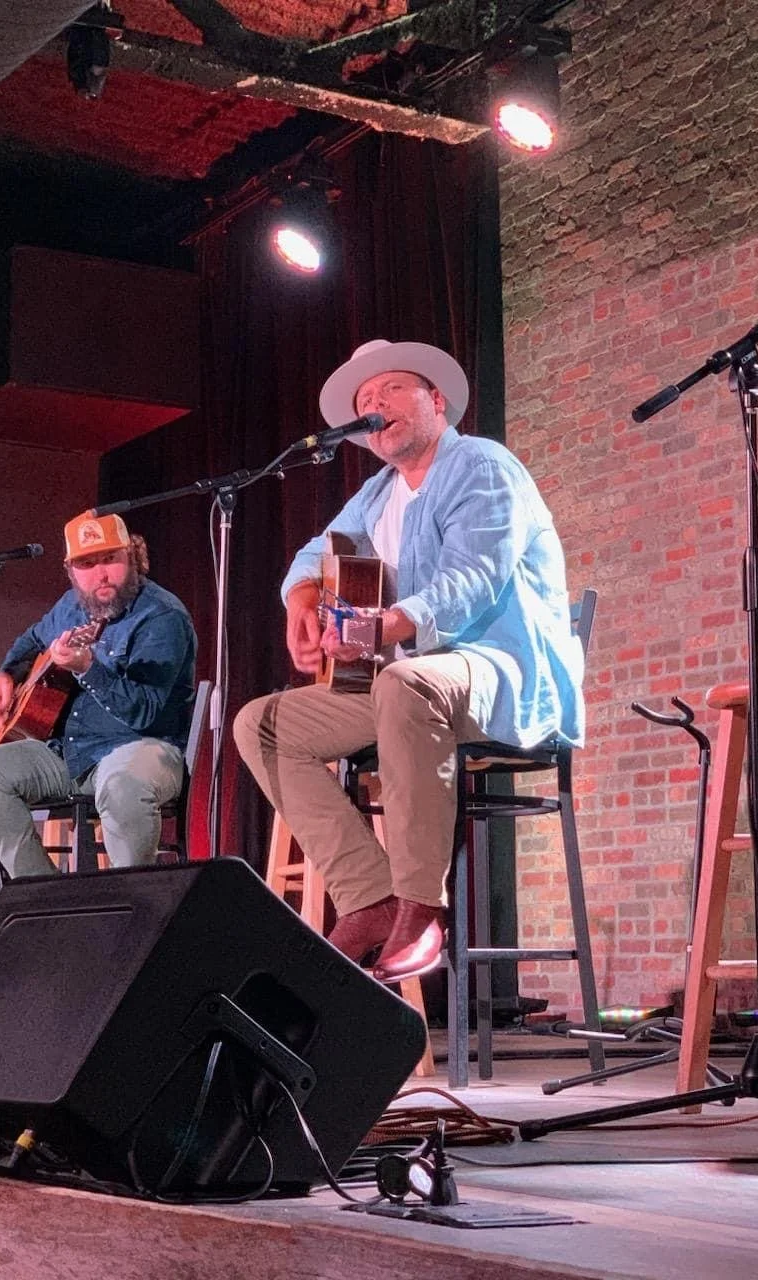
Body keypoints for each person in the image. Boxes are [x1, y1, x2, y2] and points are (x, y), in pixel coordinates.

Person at [233, 339, 584, 984]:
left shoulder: (483, 466)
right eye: (364, 401)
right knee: (261, 724)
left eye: (391, 389)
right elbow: (316, 551)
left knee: (403, 681)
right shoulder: (375, 495)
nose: (374, 405)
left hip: (498, 669)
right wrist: (301, 600)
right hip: (409, 690)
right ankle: (370, 897)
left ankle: (423, 907)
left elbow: (472, 580)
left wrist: (389, 621)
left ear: (436, 401)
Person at [0, 511, 197, 878]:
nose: (100, 575)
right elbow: (33, 639)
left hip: (141, 748)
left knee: (123, 785)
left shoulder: (162, 617)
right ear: (71, 571)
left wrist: (88, 668)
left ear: (132, 557)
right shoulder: (72, 605)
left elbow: (144, 713)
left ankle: (131, 909)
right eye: (86, 565)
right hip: (71, 752)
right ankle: (44, 895)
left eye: (110, 560)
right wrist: (7, 673)